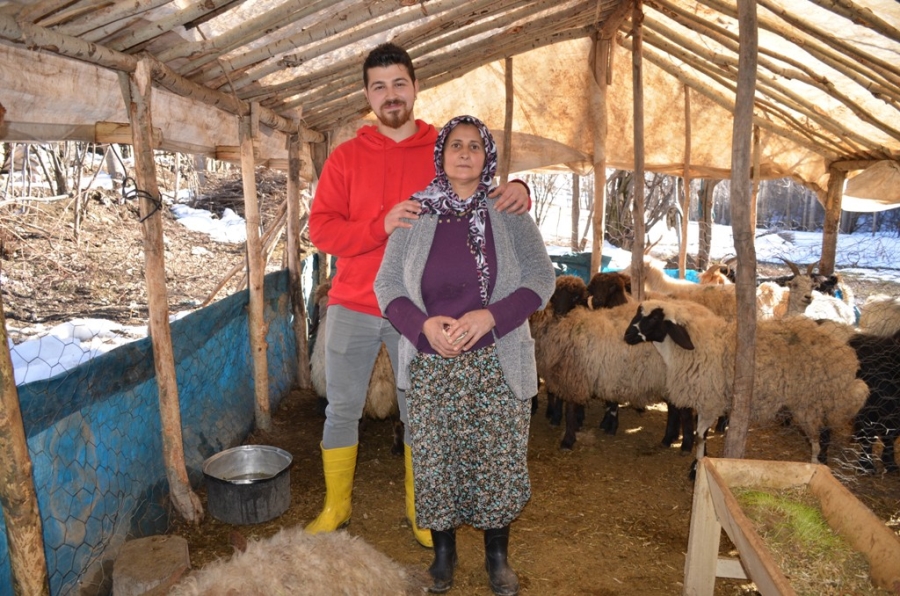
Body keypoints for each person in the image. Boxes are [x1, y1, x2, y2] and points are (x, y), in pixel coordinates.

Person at [306, 43, 531, 548]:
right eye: (379, 86)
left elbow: (480, 185)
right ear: (366, 95)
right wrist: (377, 226)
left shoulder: (442, 150)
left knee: (418, 411)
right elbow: (320, 230)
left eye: (399, 84)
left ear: (414, 87)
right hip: (353, 303)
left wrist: (520, 187)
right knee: (341, 408)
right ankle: (335, 504)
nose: (390, 95)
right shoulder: (345, 158)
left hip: (419, 312)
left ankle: (420, 508)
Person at [373, 115, 555, 596]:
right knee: (437, 460)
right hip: (433, 360)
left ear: (487, 157)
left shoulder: (509, 210)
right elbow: (387, 284)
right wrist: (423, 326)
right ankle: (443, 557)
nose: (465, 153)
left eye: (475, 146)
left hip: (496, 358)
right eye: (456, 144)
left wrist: (491, 317)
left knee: (497, 457)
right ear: (442, 153)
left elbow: (541, 277)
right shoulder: (417, 214)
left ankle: (498, 557)